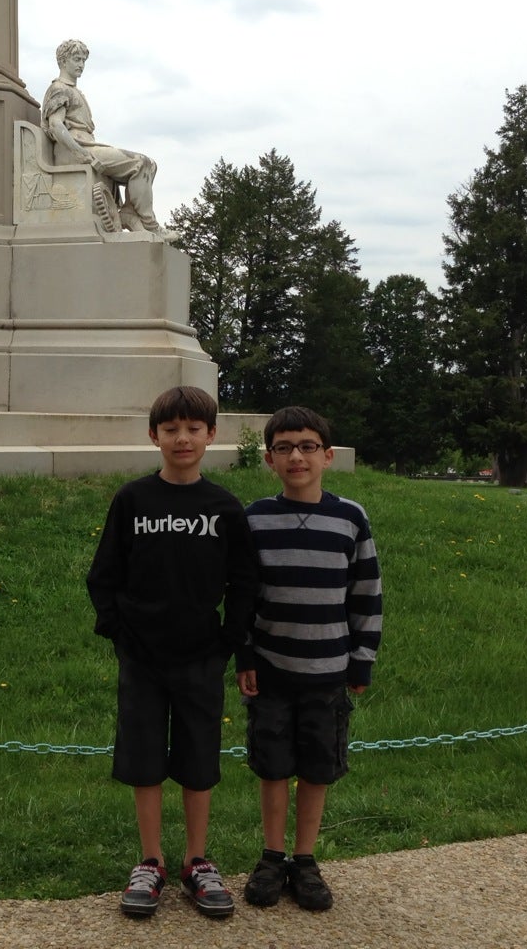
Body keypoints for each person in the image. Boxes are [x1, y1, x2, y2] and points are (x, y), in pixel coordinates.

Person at [87, 385, 260, 919]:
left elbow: (244, 582)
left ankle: (196, 861)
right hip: (141, 657)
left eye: (192, 429)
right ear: (153, 435)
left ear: (211, 435)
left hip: (200, 657)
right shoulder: (133, 500)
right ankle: (151, 861)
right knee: (143, 757)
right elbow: (105, 575)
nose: (181, 439)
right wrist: (120, 632)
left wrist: (229, 642)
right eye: (170, 430)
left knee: (198, 758)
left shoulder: (224, 507)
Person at [238, 405, 383, 914]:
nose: (296, 456)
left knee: (318, 768)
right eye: (283, 447)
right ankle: (272, 857)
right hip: (272, 670)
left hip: (329, 671)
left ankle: (305, 859)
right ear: (269, 459)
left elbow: (365, 593)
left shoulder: (350, 517)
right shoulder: (253, 518)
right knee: (273, 766)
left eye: (306, 446)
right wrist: (246, 655)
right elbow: (241, 597)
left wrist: (361, 660)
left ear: (327, 455)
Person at [41, 39, 162, 234]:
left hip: (86, 144)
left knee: (151, 165)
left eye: (83, 60)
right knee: (141, 163)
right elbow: (55, 125)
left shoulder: (73, 91)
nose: (81, 64)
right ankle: (150, 225)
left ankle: (130, 214)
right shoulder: (59, 89)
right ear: (63, 61)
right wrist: (81, 153)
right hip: (75, 149)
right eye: (76, 59)